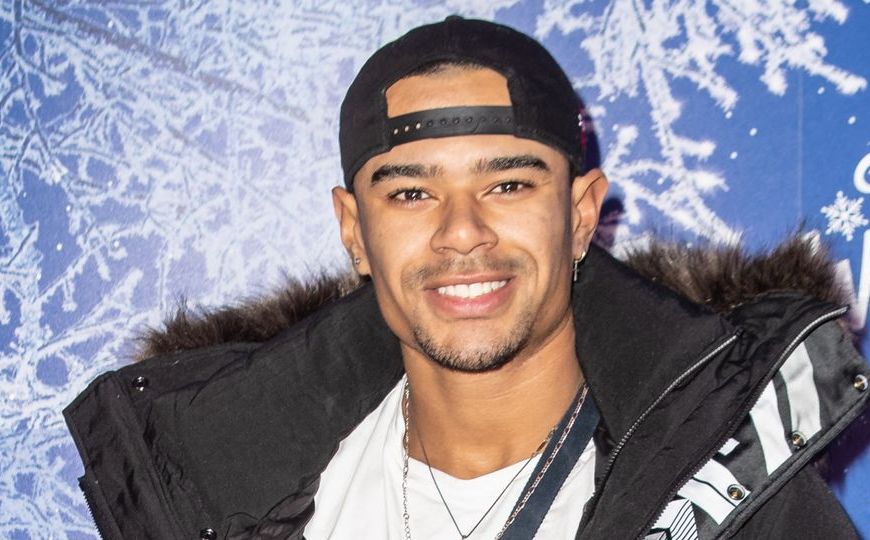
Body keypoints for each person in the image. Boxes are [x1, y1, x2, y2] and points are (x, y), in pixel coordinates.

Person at [64, 17, 869, 540]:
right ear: (354, 230)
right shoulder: (229, 483)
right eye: (411, 193)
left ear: (581, 214)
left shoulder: (733, 493)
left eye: (508, 184)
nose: (462, 233)